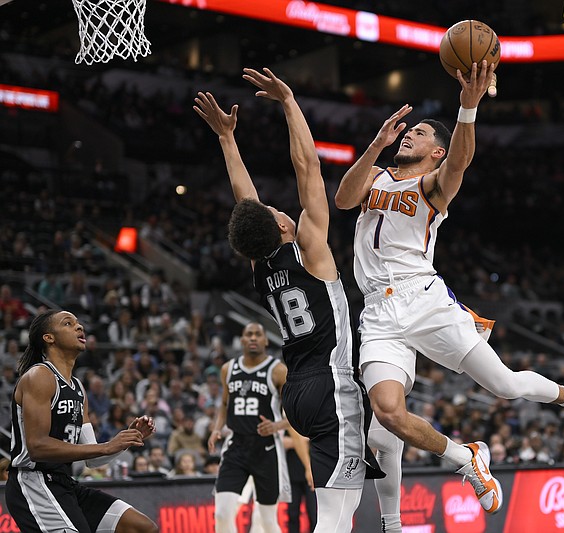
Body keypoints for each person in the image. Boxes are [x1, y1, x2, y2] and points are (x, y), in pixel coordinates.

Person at [334, 60, 564, 530]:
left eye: (419, 134)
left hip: (423, 297)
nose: (409, 135)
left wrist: (468, 108)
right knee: (387, 416)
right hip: (377, 310)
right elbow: (342, 200)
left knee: (506, 385)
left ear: (435, 153)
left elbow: (459, 162)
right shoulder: (374, 175)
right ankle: (462, 461)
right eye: (407, 132)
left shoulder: (433, 185)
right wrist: (376, 143)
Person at [194, 66, 384, 533]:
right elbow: (308, 167)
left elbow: (246, 203)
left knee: (343, 504)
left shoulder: (261, 265)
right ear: (282, 227)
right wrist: (289, 102)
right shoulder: (311, 249)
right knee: (338, 515)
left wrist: (227, 139)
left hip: (297, 391)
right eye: (280, 212)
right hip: (330, 382)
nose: (284, 209)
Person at [6, 309, 158, 532]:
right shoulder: (39, 376)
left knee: (142, 527)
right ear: (49, 338)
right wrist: (107, 446)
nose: (79, 327)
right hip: (34, 483)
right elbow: (37, 447)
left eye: (78, 323)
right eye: (68, 324)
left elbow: (93, 458)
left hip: (64, 483)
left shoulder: (77, 388)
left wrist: (124, 440)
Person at [207, 322, 312, 533]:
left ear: (265, 340)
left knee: (266, 520)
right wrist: (217, 428)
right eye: (249, 334)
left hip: (266, 450)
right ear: (242, 340)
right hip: (236, 446)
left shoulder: (278, 371)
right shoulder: (228, 369)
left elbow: (295, 414)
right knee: (222, 514)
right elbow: (225, 404)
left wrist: (276, 426)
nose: (253, 338)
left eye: (258, 334)